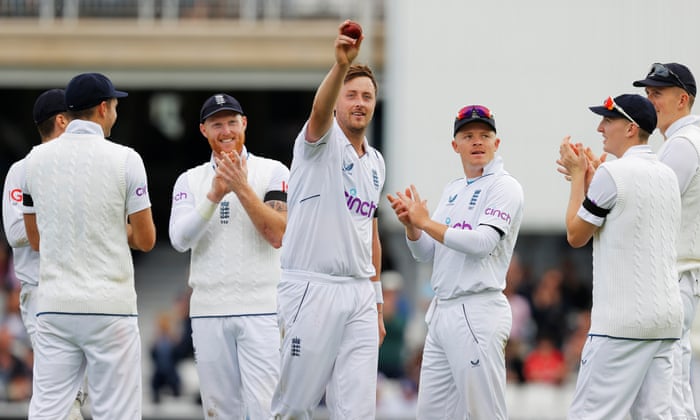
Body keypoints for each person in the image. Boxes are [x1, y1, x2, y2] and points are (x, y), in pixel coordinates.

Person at [21, 72, 156, 419]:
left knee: (48, 411)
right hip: (110, 308)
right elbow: (145, 239)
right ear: (101, 109)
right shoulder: (127, 159)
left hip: (54, 306)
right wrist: (112, 230)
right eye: (114, 105)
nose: (115, 112)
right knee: (117, 412)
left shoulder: (34, 160)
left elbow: (36, 240)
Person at [271, 20, 386, 419]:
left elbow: (369, 230)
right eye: (351, 95)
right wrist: (340, 66)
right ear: (338, 101)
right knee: (293, 406)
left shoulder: (375, 162)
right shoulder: (317, 142)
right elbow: (319, 112)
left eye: (367, 96)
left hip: (358, 294)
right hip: (311, 287)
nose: (359, 102)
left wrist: (377, 304)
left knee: (356, 410)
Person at [387, 104, 524, 419]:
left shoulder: (505, 186)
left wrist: (425, 222)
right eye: (468, 135)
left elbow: (482, 243)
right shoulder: (453, 190)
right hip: (443, 311)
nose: (477, 141)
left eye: (484, 135)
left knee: (484, 413)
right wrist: (412, 226)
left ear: (496, 143)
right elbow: (427, 254)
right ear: (455, 146)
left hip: (477, 310)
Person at [557, 93, 683, 419]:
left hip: (621, 325)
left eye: (608, 120)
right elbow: (624, 218)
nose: (600, 127)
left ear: (630, 128)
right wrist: (593, 177)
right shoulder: (666, 175)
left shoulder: (611, 175)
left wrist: (576, 178)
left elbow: (575, 234)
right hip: (666, 323)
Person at [168, 93, 289, 419]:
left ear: (244, 124)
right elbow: (179, 239)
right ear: (203, 130)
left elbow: (278, 233)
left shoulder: (274, 171)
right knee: (219, 412)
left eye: (232, 122)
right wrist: (213, 196)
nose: (226, 131)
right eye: (216, 124)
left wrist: (240, 186)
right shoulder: (190, 180)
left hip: (262, 309)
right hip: (209, 310)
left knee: (266, 410)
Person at [1, 88, 88, 419]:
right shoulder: (22, 170)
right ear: (62, 121)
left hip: (82, 292)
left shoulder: (84, 169)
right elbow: (16, 232)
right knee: (59, 394)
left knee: (73, 395)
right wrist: (66, 221)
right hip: (42, 292)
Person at [633, 62, 700, 420]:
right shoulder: (684, 142)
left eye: (657, 93)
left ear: (682, 99)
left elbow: (647, 208)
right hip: (679, 279)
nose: (650, 100)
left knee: (665, 390)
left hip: (673, 277)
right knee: (673, 388)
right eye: (649, 93)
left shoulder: (683, 145)